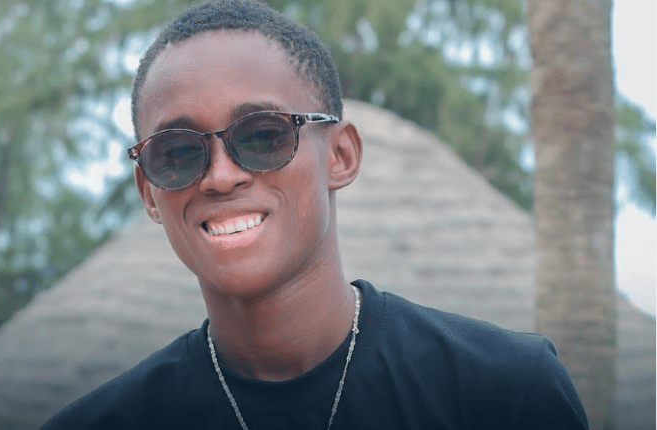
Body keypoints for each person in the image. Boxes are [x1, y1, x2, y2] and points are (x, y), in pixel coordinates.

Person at [41, 0, 589, 428]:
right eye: (178, 152)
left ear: (340, 156)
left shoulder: (504, 393)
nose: (221, 176)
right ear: (148, 192)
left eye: (262, 136)